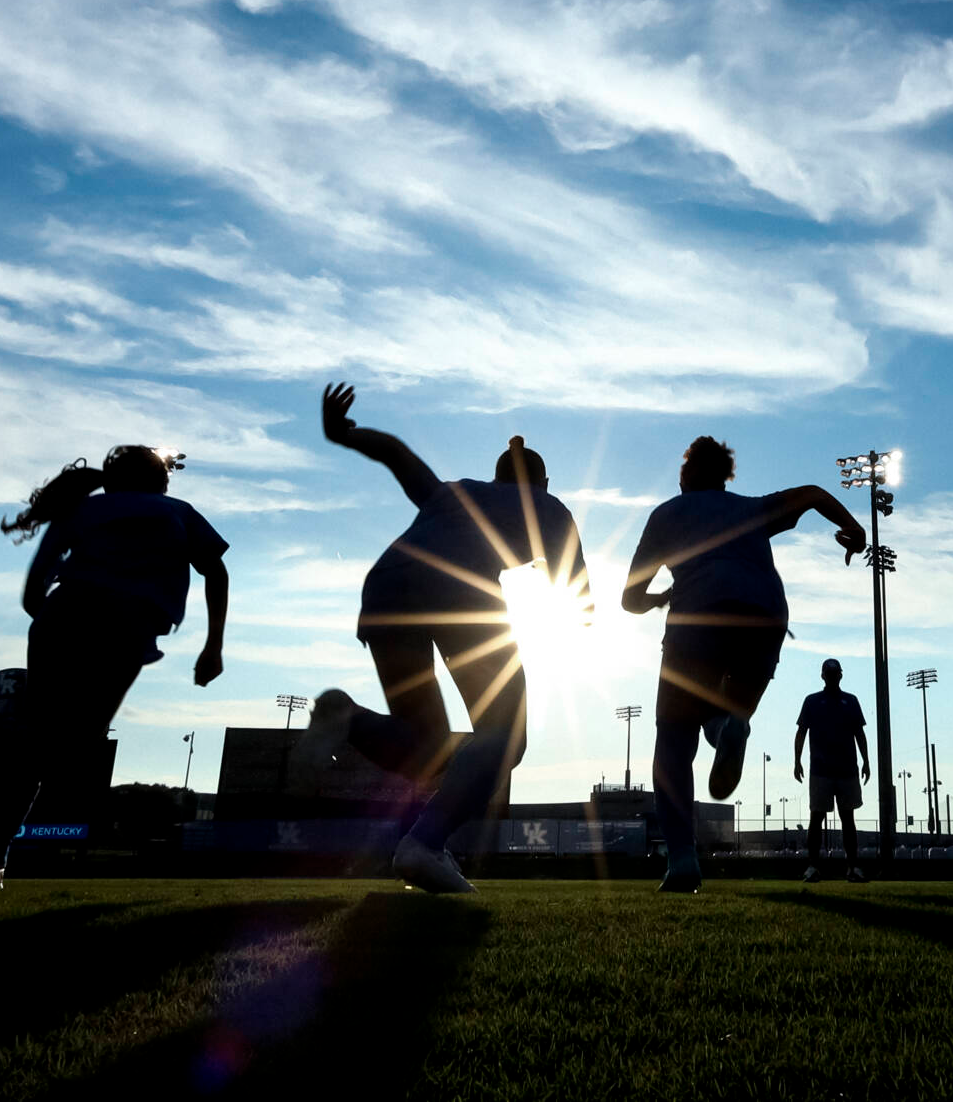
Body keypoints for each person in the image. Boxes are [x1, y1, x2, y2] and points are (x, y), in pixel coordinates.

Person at [292, 382, 587, 894]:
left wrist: (344, 433)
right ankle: (425, 842)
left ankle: (348, 718)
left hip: (386, 587)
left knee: (426, 746)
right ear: (543, 481)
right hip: (460, 594)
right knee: (505, 739)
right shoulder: (551, 507)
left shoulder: (455, 491)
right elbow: (577, 596)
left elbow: (400, 456)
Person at [0, 444, 230, 890]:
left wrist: (52, 623)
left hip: (63, 620)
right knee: (73, 743)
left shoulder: (82, 510)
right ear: (162, 481)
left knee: (36, 743)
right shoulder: (178, 511)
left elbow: (35, 587)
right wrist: (213, 646)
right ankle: (2, 837)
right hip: (126, 630)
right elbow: (216, 572)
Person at [621, 436, 868, 893]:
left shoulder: (666, 516)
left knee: (674, 741)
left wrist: (659, 599)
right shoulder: (751, 508)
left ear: (685, 475)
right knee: (726, 710)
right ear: (725, 477)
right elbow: (813, 493)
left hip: (698, 619)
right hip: (764, 617)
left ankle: (681, 861)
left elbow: (629, 599)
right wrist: (855, 526)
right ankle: (728, 727)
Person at [793, 658, 869, 883]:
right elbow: (801, 732)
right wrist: (796, 761)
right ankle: (813, 867)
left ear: (841, 675)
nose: (833, 677)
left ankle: (853, 868)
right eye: (829, 673)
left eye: (836, 674)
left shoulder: (851, 701)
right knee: (816, 817)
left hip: (847, 769)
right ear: (823, 676)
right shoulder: (812, 701)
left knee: (848, 818)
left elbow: (859, 734)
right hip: (820, 770)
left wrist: (866, 761)